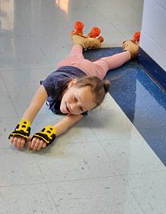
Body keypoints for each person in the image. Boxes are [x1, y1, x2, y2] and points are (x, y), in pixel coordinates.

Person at [9, 33, 139, 151]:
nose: (73, 107)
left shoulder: (84, 103)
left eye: (80, 107)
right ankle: (79, 41)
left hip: (91, 71)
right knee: (77, 56)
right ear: (71, 84)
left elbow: (66, 123)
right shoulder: (52, 83)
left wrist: (47, 135)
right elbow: (34, 106)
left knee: (104, 64)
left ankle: (130, 52)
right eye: (75, 99)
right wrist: (22, 128)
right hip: (72, 65)